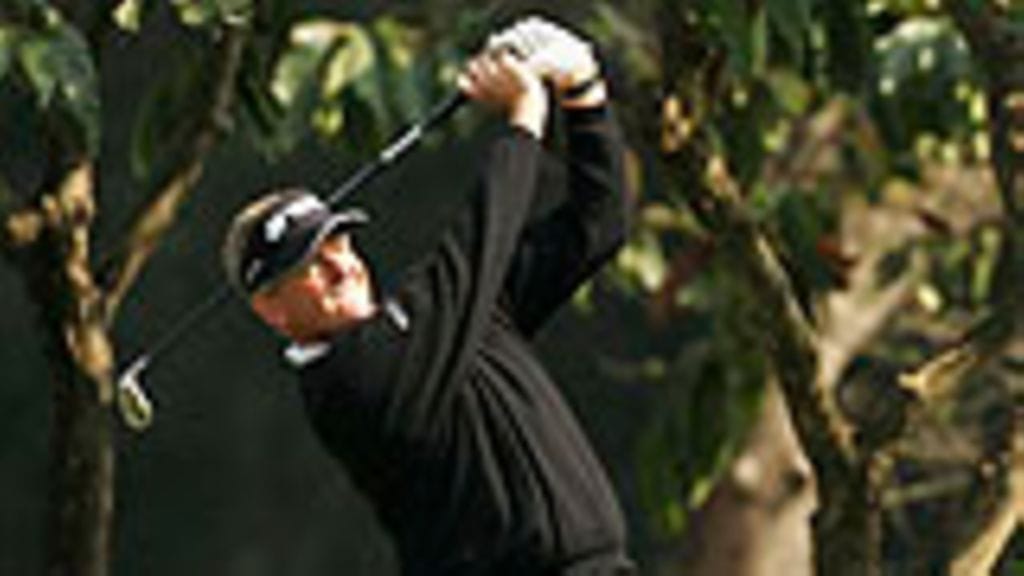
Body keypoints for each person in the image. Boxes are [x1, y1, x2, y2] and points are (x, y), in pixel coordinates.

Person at [222, 16, 634, 576]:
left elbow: (598, 222)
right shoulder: (350, 381)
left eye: (338, 243)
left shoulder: (449, 323)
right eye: (310, 264)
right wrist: (523, 121)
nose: (340, 265)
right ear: (271, 309)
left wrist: (584, 93)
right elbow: (476, 246)